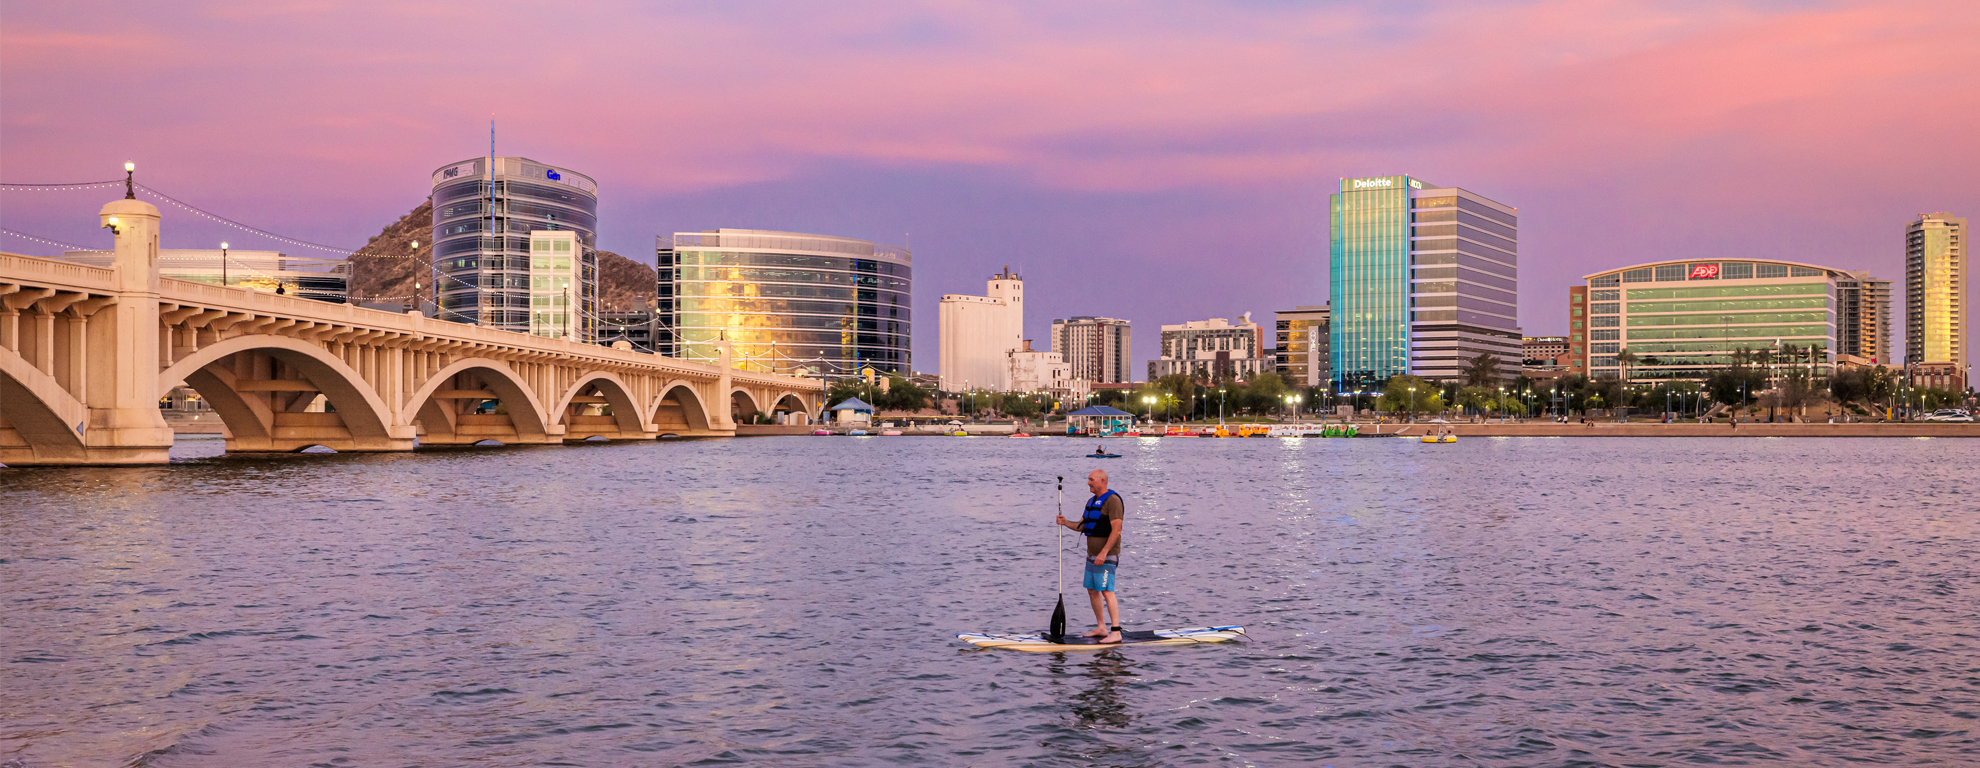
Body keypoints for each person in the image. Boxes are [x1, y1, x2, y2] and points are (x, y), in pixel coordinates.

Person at [1057, 468, 1124, 643]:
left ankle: (1116, 632)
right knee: (1092, 590)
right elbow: (1082, 526)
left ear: (1102, 481)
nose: (1088, 482)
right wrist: (1065, 523)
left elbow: (1116, 530)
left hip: (1106, 556)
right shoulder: (1091, 501)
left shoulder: (1113, 501)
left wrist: (1103, 552)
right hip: (1092, 555)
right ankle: (1101, 627)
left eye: (1091, 479)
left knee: (1106, 591)